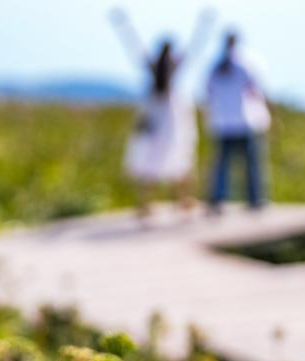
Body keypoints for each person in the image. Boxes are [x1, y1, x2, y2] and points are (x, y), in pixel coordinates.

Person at [109, 8, 214, 217]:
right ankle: (183, 199)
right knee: (180, 157)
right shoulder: (172, 71)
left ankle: (146, 203)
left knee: (152, 159)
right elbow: (194, 47)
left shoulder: (152, 70)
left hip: (157, 118)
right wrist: (204, 26)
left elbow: (133, 43)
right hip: (171, 119)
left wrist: (123, 25)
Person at [205, 30, 271, 213]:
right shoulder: (245, 65)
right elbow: (256, 91)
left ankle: (217, 198)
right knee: (251, 164)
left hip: (222, 122)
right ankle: (255, 199)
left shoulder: (215, 67)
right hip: (244, 121)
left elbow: (208, 92)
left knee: (222, 165)